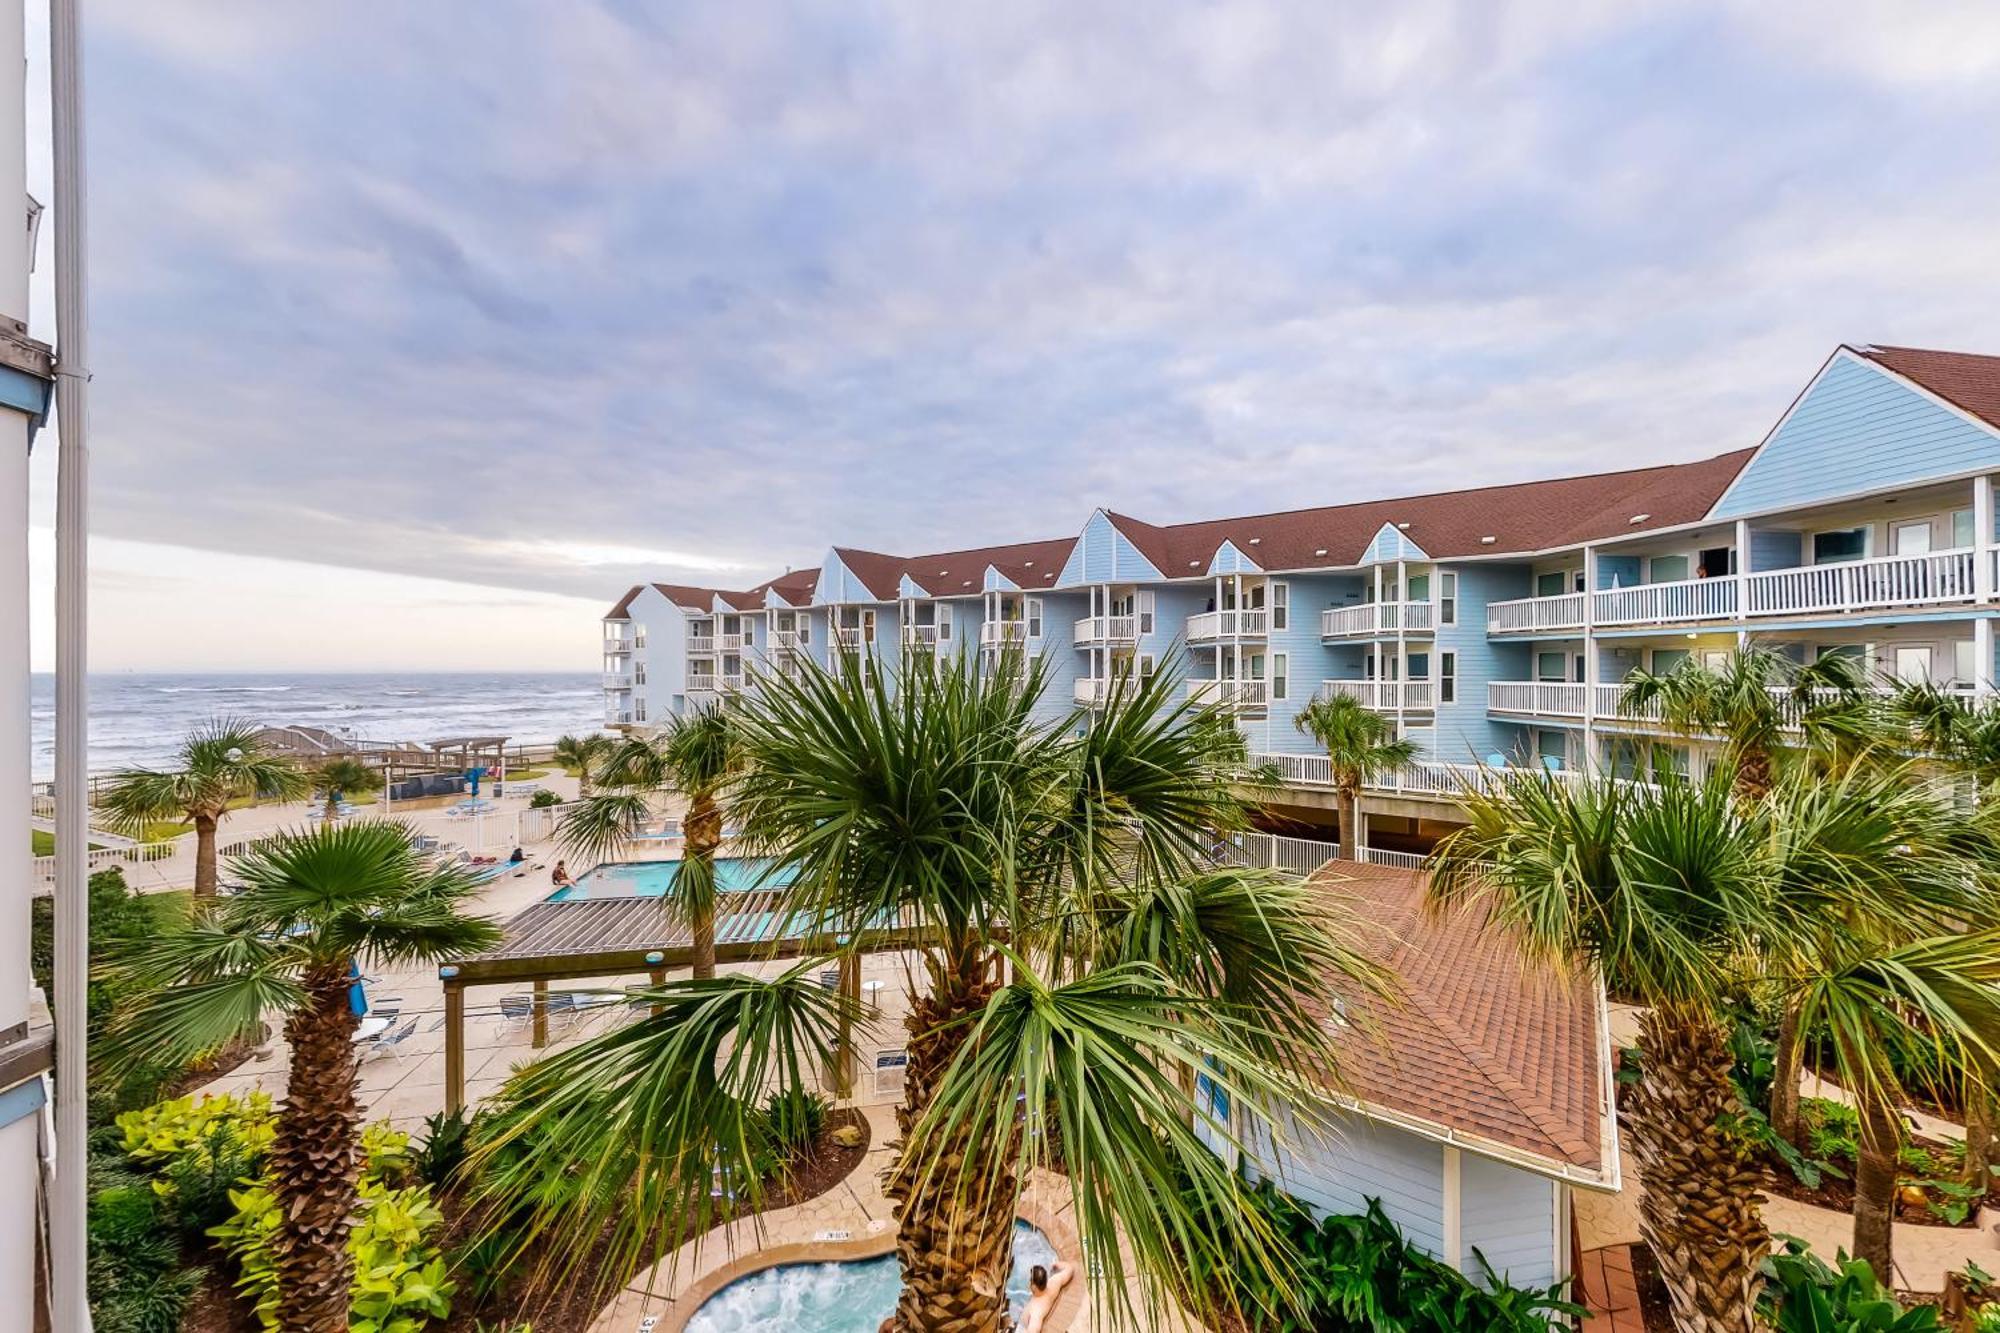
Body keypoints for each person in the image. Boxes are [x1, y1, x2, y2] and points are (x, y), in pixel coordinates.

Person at [1022, 1258, 1074, 1332]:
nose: (1028, 1281)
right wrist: (1056, 1264)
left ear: (1034, 1286)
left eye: (1030, 1280)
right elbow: (1070, 1269)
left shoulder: (1036, 1310)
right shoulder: (1054, 1282)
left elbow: (1033, 1330)